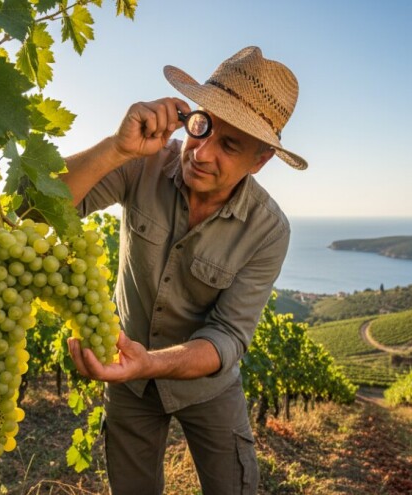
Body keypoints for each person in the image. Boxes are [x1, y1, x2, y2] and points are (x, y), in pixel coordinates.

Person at [62, 46, 307, 494]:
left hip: (206, 388)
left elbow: (228, 336)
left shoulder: (269, 230)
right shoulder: (143, 162)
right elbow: (38, 207)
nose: (201, 153)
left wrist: (149, 363)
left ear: (260, 160)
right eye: (202, 126)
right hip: (129, 383)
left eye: (229, 146)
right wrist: (115, 149)